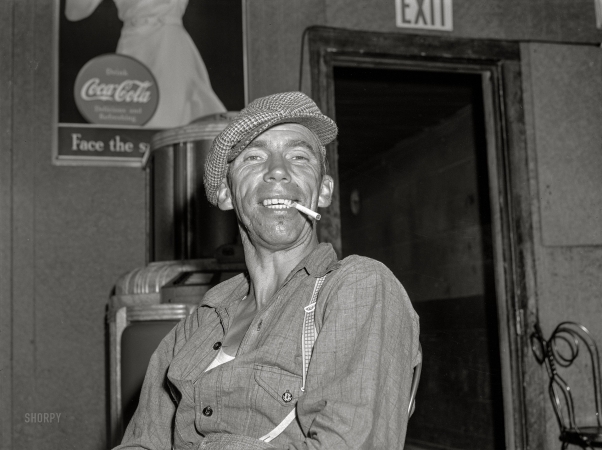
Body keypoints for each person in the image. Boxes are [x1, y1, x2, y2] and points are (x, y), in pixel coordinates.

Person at [115, 92, 420, 449]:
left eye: (299, 157)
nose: (278, 170)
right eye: (255, 157)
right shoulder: (200, 324)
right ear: (228, 195)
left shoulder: (360, 288)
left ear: (323, 193)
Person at [65, 0, 226, 128]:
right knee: (134, 118)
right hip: (136, 46)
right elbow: (74, 12)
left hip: (171, 45)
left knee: (175, 118)